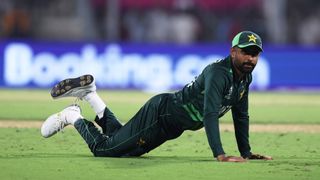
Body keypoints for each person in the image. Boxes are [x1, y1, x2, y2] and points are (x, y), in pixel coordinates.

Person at [41, 31, 272, 162]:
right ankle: (73, 116)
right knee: (104, 150)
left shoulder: (244, 78)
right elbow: (210, 113)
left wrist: (246, 153)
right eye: (246, 53)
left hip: (170, 127)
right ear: (233, 52)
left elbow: (241, 116)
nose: (250, 59)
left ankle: (91, 95)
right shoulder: (219, 74)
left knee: (125, 147)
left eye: (255, 54)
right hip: (160, 115)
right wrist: (220, 155)